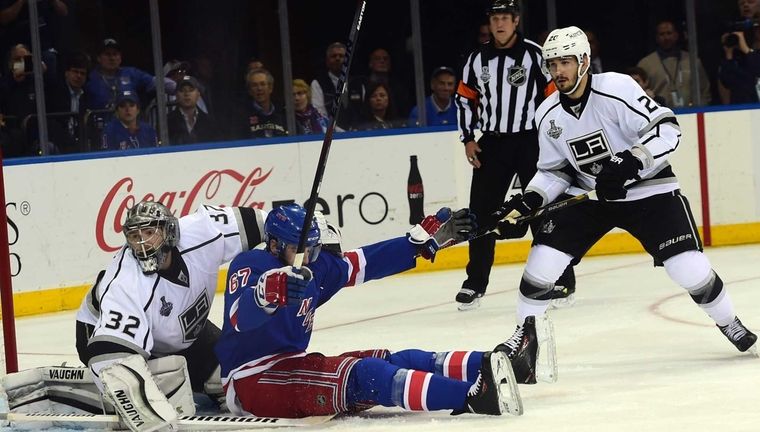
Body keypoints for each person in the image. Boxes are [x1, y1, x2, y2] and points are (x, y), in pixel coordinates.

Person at [492, 26, 758, 386]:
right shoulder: (547, 114)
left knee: (689, 271)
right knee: (539, 270)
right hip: (591, 198)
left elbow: (668, 129)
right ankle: (525, 344)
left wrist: (632, 161)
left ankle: (729, 322)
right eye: (553, 64)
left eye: (566, 62)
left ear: (584, 61)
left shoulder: (616, 89)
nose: (559, 71)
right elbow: (554, 172)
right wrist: (530, 200)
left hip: (649, 190)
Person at [216, 203, 525, 418]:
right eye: (301, 249)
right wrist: (268, 293)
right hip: (252, 380)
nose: (309, 256)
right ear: (273, 244)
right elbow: (239, 318)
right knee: (369, 375)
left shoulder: (312, 263)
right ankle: (473, 396)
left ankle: (499, 363)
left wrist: (419, 243)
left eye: (314, 248)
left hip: (290, 365)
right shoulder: (252, 265)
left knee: (397, 360)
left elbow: (364, 262)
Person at [69, 201, 269, 430]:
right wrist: (145, 414)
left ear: (170, 231)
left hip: (178, 330)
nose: (142, 243)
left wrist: (308, 230)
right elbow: (111, 358)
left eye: (149, 232)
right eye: (134, 236)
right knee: (161, 396)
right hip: (98, 334)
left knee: (230, 377)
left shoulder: (202, 231)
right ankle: (99, 392)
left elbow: (266, 223)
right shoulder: (125, 284)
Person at [453, 0, 575, 310]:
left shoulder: (535, 54)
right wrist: (468, 138)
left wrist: (554, 138)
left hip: (532, 142)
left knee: (544, 208)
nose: (500, 23)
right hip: (492, 143)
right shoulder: (476, 59)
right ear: (490, 22)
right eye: (495, 18)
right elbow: (465, 100)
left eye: (505, 17)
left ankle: (561, 278)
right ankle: (475, 283)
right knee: (481, 212)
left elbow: (554, 101)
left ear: (516, 20)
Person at [636, 20, 711, 107]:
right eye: (662, 34)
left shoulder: (692, 61)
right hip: (660, 115)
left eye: (669, 33)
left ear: (676, 35)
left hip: (692, 114)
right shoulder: (646, 64)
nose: (666, 37)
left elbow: (705, 91)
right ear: (656, 38)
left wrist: (700, 108)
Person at [719, 10, 760, 104]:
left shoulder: (747, 50)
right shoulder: (742, 50)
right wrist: (729, 54)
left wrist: (746, 50)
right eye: (757, 25)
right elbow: (727, 81)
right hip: (743, 106)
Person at [236, 68, 288, 138]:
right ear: (250, 91)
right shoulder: (241, 116)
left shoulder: (283, 113)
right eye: (254, 85)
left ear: (270, 88)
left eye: (263, 84)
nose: (259, 88)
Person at [167, 75, 219, 144]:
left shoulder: (210, 122)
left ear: (198, 94)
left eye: (191, 90)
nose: (187, 94)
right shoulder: (166, 122)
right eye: (182, 90)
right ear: (176, 95)